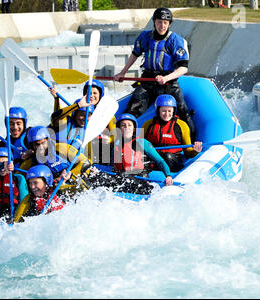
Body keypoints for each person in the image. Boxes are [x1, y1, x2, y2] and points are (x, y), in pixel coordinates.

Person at [113, 7, 194, 138]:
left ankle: (192, 142)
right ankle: (124, 141)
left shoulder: (176, 41)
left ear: (169, 24)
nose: (162, 25)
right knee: (131, 110)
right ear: (154, 22)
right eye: (159, 22)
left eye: (165, 23)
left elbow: (183, 68)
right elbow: (135, 54)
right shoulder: (145, 37)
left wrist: (166, 78)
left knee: (182, 110)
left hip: (168, 82)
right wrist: (123, 72)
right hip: (148, 81)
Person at [84, 113, 174, 195]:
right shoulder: (116, 146)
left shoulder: (142, 142)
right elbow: (112, 168)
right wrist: (98, 173)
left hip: (141, 183)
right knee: (94, 176)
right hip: (121, 181)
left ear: (134, 128)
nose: (127, 127)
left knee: (124, 175)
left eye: (129, 125)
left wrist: (168, 176)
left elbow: (159, 161)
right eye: (123, 125)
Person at [49, 80, 114, 163]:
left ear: (100, 95)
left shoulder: (107, 112)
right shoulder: (78, 106)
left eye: (95, 93)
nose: (91, 96)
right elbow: (58, 118)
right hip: (73, 145)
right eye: (89, 93)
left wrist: (110, 140)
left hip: (96, 147)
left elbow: (115, 133)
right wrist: (56, 99)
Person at [19, 126, 91, 191]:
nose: (41, 147)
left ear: (48, 140)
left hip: (78, 178)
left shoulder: (61, 148)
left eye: (43, 143)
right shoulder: (32, 162)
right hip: (60, 189)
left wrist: (69, 175)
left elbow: (85, 162)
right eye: (37, 145)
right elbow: (17, 176)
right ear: (31, 146)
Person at [143, 94, 202, 172]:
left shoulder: (182, 125)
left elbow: (188, 152)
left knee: (168, 156)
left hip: (172, 161)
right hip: (154, 159)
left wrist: (195, 151)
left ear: (174, 111)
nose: (167, 114)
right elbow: (138, 146)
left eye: (169, 111)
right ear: (158, 110)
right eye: (163, 111)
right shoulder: (147, 124)